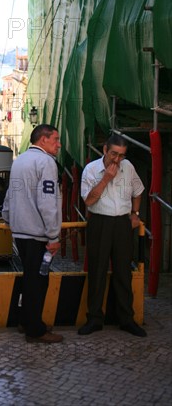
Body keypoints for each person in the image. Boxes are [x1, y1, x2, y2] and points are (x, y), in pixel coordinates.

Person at [78, 134, 146, 337]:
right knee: (97, 271)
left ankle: (126, 319)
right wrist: (106, 178)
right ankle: (94, 319)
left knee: (123, 271)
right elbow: (89, 201)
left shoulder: (129, 167)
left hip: (122, 223)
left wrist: (135, 214)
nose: (117, 159)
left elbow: (138, 190)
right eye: (114, 154)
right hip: (99, 221)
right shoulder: (90, 169)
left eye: (121, 155)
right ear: (105, 149)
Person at [2, 124, 63, 344]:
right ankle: (35, 331)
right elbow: (47, 202)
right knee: (38, 281)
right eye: (55, 139)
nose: (59, 144)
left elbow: (10, 195)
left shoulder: (20, 161)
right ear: (43, 140)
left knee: (29, 278)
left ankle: (26, 321)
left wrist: (8, 218)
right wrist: (53, 235)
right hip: (38, 233)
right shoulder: (46, 162)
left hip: (20, 231)